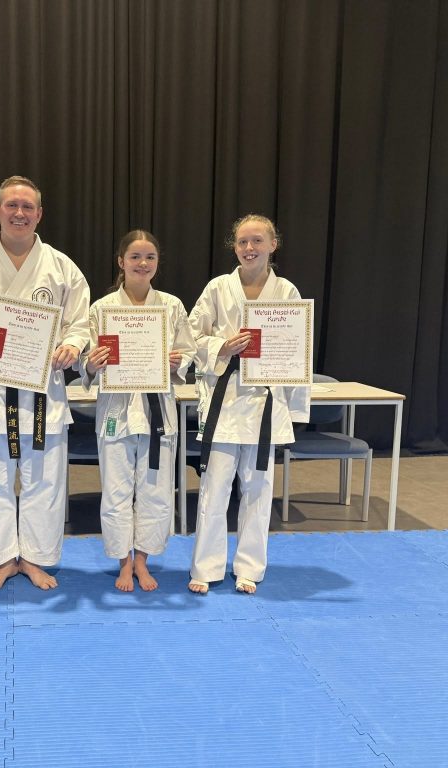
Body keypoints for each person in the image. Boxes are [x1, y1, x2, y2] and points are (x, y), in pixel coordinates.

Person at [0, 176, 90, 594]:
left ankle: (36, 559)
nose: (19, 213)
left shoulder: (62, 267)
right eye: (11, 205)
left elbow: (81, 322)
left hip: (44, 390)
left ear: (39, 214)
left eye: (27, 207)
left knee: (45, 481)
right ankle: (3, 560)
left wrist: (73, 344)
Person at [187, 214, 310, 595]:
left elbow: (298, 349)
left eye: (257, 240)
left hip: (264, 402)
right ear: (234, 247)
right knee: (214, 487)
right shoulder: (218, 288)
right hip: (225, 399)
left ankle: (249, 568)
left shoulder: (286, 292)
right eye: (242, 242)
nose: (249, 248)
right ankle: (206, 568)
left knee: (258, 488)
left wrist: (295, 406)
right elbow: (190, 335)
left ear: (273, 245)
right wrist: (221, 346)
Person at [82, 230, 196, 591]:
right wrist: (92, 364)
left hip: (158, 410)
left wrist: (178, 361)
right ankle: (123, 562)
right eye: (135, 257)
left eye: (150, 257)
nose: (142, 263)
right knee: (116, 492)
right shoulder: (102, 309)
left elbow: (188, 351)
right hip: (116, 411)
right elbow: (87, 360)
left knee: (156, 491)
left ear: (157, 263)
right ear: (121, 262)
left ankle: (143, 561)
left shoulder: (171, 307)